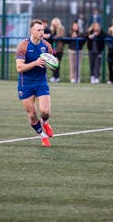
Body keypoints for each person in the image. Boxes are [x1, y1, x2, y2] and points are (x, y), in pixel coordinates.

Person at [15, 19, 54, 147]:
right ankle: (42, 136)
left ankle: (45, 122)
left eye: (42, 30)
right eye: (38, 30)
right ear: (31, 31)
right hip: (25, 83)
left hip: (41, 82)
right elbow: (19, 68)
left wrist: (53, 63)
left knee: (45, 112)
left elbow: (52, 62)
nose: (41, 32)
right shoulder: (23, 46)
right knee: (32, 115)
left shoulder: (47, 46)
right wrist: (35, 63)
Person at [49, 17, 66, 83]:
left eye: (56, 22)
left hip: (59, 49)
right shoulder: (52, 29)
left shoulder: (61, 28)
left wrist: (53, 37)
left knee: (57, 63)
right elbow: (51, 36)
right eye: (54, 22)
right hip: (53, 49)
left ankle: (57, 77)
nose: (55, 24)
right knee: (52, 63)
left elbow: (60, 35)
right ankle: (54, 76)